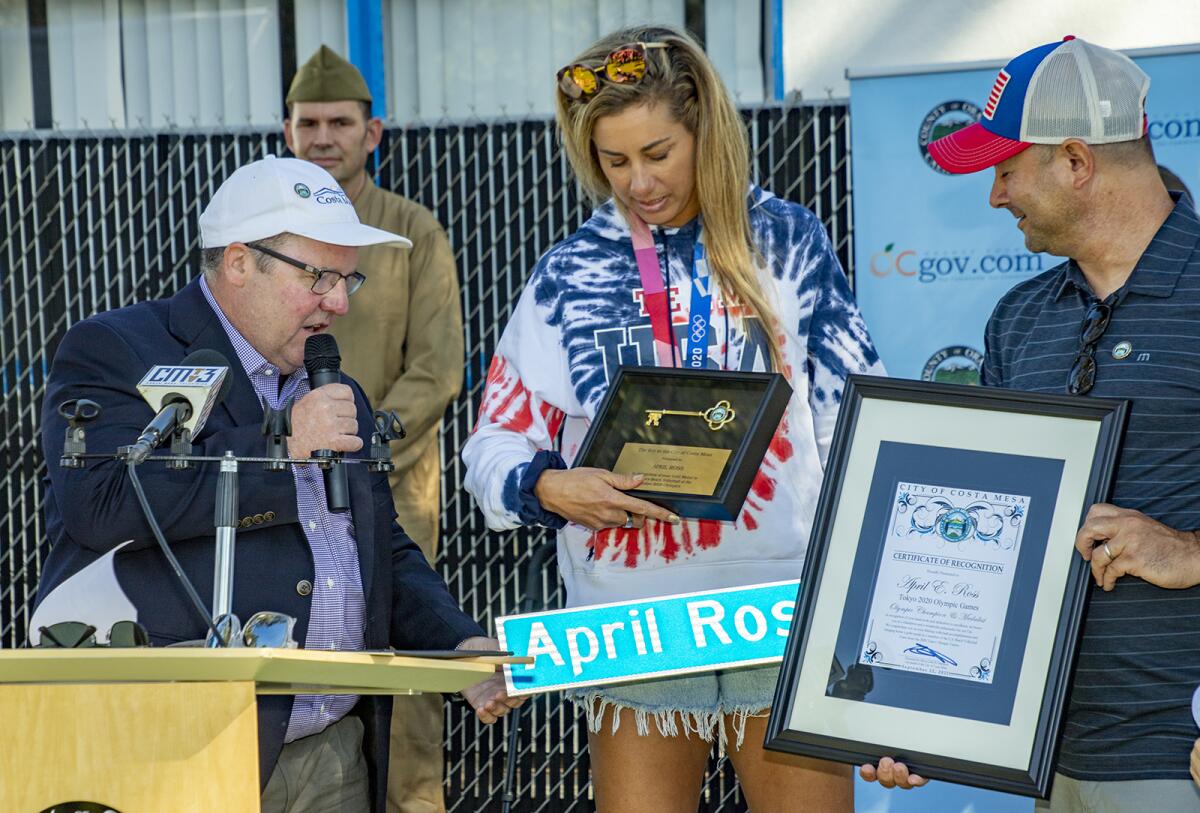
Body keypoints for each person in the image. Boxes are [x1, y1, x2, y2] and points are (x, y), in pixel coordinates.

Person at [462, 26, 884, 813]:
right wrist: (551, 487)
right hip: (631, 620)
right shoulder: (568, 270)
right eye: (613, 161)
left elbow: (858, 416)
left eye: (657, 152)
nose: (638, 182)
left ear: (706, 130)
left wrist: (871, 596)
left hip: (781, 606)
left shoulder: (787, 242)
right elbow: (491, 443)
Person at [35, 155, 520, 813]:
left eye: (348, 277)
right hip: (177, 749)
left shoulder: (334, 390)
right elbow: (101, 503)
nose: (340, 302)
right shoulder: (116, 348)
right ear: (239, 262)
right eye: (319, 276)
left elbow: (377, 551)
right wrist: (282, 445)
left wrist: (457, 641)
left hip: (333, 755)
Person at [861, 37, 1200, 810]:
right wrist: (912, 706)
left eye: (1006, 170)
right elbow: (981, 542)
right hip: (1048, 757)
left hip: (1177, 755)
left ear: (1076, 161)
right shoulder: (1017, 321)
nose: (994, 195)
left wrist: (1188, 549)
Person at [282, 45, 466, 813]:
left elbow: (438, 363)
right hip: (280, 490)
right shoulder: (269, 237)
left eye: (341, 122)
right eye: (309, 122)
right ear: (284, 132)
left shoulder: (412, 230)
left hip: (391, 491)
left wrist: (363, 431)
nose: (324, 137)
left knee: (406, 668)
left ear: (375, 132)